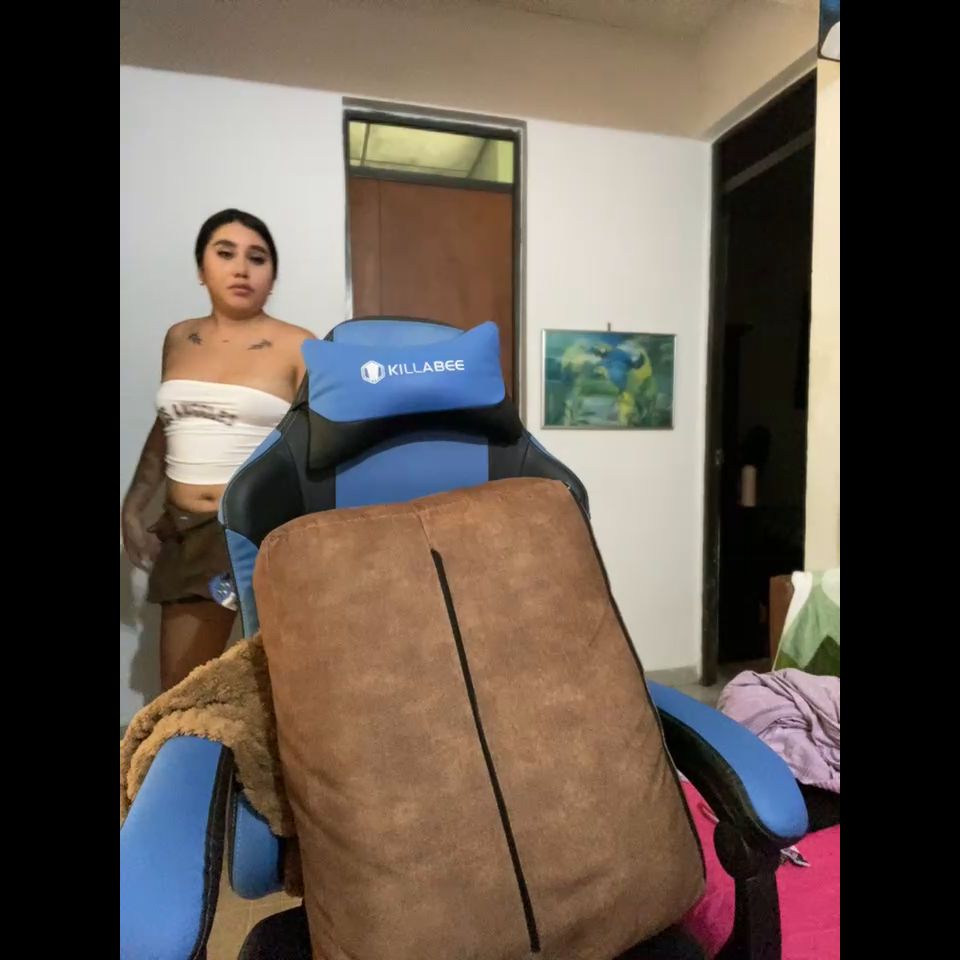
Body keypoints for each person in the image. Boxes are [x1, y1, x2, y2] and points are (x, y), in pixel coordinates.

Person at [121, 209, 314, 689]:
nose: (241, 269)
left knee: (280, 687)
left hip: (257, 527)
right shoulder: (179, 339)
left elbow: (318, 441)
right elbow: (169, 425)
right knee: (183, 691)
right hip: (187, 531)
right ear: (201, 268)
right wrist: (134, 503)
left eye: (257, 258)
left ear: (273, 277)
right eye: (225, 253)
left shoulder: (300, 345)